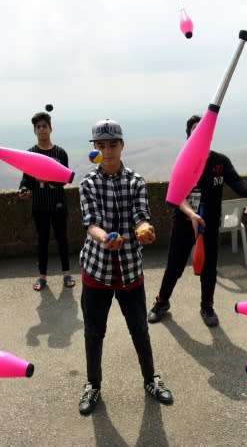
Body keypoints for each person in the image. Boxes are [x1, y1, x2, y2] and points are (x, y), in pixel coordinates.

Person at [76, 118, 173, 415]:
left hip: (130, 268)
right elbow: (90, 223)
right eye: (101, 146)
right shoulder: (88, 184)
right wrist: (105, 238)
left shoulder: (136, 181)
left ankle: (150, 379)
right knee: (94, 332)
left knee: (139, 329)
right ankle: (93, 385)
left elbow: (140, 216)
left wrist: (146, 228)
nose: (107, 151)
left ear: (122, 145)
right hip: (97, 270)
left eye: (113, 145)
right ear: (95, 148)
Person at [148, 115, 247, 327]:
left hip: (210, 224)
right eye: (195, 131)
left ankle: (207, 306)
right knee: (174, 266)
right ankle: (161, 302)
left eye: (204, 131)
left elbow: (239, 183)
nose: (200, 134)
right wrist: (191, 214)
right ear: (189, 136)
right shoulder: (184, 161)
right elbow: (176, 196)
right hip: (184, 222)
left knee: (209, 267)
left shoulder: (220, 162)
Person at [18, 111, 75, 291]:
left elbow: (65, 179)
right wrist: (24, 190)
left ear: (50, 129)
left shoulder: (60, 153)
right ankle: (42, 277)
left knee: (62, 239)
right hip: (39, 205)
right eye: (38, 127)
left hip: (58, 203)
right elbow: (26, 179)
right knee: (42, 241)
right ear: (35, 131)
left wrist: (47, 179)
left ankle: (66, 274)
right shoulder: (30, 154)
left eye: (45, 126)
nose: (42, 129)